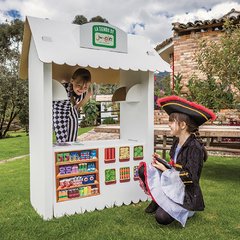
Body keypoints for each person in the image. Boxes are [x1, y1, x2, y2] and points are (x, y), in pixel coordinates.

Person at [138, 95, 216, 227]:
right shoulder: (176, 142)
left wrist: (166, 170)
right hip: (173, 184)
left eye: (172, 121)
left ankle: (184, 211)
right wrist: (161, 162)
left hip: (186, 195)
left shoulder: (194, 148)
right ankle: (159, 200)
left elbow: (190, 178)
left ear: (183, 125)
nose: (168, 124)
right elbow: (175, 166)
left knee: (161, 217)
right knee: (143, 170)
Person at [53, 68, 92, 143]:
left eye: (85, 87)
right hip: (59, 114)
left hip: (72, 114)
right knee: (62, 141)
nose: (81, 89)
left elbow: (80, 102)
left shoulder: (84, 93)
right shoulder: (62, 88)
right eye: (79, 85)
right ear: (72, 81)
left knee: (72, 140)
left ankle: (71, 152)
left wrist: (86, 97)